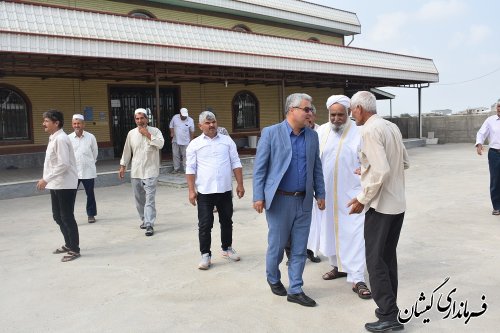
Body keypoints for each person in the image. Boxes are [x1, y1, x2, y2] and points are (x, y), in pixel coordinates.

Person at [253, 93, 326, 307]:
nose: (310, 113)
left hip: (303, 201)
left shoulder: (312, 136)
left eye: (310, 109)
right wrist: (258, 196)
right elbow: (260, 169)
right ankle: (273, 277)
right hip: (279, 201)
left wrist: (320, 194)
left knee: (300, 248)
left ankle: (295, 288)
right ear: (292, 110)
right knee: (276, 246)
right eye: (306, 109)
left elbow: (316, 168)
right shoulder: (271, 133)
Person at [347, 91, 409, 332]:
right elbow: (403, 162)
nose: (353, 115)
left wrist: (363, 198)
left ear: (360, 109)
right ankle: (390, 310)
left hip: (380, 206)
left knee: (375, 261)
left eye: (353, 110)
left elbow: (381, 170)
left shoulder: (369, 130)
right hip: (397, 204)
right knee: (386, 258)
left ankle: (388, 316)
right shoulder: (391, 126)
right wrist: (365, 170)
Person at [307, 95, 371, 299]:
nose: (336, 119)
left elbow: (370, 161)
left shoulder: (360, 132)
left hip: (352, 196)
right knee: (330, 233)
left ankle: (357, 277)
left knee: (355, 235)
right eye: (332, 115)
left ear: (349, 113)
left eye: (340, 115)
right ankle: (337, 266)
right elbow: (315, 161)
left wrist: (365, 172)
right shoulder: (322, 131)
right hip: (326, 195)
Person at [186, 111, 245, 270]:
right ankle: (205, 255)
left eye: (213, 122)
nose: (211, 125)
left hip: (225, 190)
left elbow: (236, 163)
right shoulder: (195, 144)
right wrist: (191, 191)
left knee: (227, 221)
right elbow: (190, 168)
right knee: (205, 224)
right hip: (205, 192)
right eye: (207, 123)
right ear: (200, 126)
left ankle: (227, 249)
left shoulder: (227, 141)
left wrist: (240, 184)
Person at [36, 110, 80, 262]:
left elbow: (63, 164)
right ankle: (69, 244)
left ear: (56, 123)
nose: (43, 124)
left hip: (65, 184)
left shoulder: (61, 139)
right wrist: (47, 178)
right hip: (56, 183)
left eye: (47, 121)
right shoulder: (53, 138)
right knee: (58, 216)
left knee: (67, 216)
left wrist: (45, 179)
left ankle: (74, 249)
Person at [119, 108, 165, 237]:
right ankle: (144, 220)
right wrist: (123, 166)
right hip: (136, 171)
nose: (139, 121)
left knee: (149, 199)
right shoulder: (131, 134)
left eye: (142, 118)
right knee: (139, 199)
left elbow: (161, 144)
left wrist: (147, 134)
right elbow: (127, 150)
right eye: (137, 119)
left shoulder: (155, 131)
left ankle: (149, 223)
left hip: (151, 170)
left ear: (147, 119)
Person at [68, 114, 99, 223]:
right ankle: (69, 216)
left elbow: (95, 152)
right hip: (73, 172)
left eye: (78, 123)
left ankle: (91, 215)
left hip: (88, 171)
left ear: (83, 124)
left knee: (90, 194)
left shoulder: (91, 137)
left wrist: (90, 163)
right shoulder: (68, 138)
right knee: (70, 196)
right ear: (72, 125)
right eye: (74, 123)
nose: (76, 125)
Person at [475, 100, 500, 215]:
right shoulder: (490, 120)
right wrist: (479, 144)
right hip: (495, 154)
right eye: (498, 106)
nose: (499, 109)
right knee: (495, 180)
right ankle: (497, 207)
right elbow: (481, 133)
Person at [169, 107, 194, 173]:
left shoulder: (190, 120)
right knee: (175, 154)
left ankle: (186, 169)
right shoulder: (175, 117)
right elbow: (171, 126)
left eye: (185, 116)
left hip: (186, 141)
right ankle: (176, 168)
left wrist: (191, 140)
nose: (184, 117)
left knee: (185, 155)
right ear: (180, 114)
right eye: (183, 116)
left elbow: (192, 131)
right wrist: (172, 132)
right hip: (175, 140)